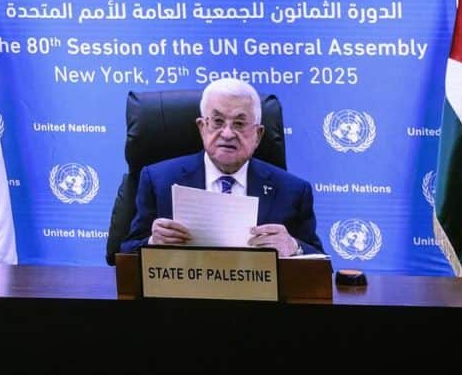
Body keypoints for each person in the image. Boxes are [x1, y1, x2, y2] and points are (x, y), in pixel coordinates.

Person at [119, 78, 324, 256]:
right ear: (202, 127)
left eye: (239, 124)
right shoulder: (158, 181)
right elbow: (124, 253)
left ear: (258, 135)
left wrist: (294, 247)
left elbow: (320, 264)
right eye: (217, 121)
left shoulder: (293, 191)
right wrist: (153, 243)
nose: (227, 134)